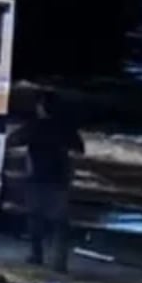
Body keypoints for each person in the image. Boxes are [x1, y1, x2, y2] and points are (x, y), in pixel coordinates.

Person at [9, 91, 85, 273]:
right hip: (59, 180)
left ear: (42, 107)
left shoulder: (35, 126)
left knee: (35, 219)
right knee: (60, 223)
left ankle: (37, 255)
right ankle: (59, 263)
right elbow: (79, 149)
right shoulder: (66, 127)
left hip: (36, 178)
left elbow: (13, 140)